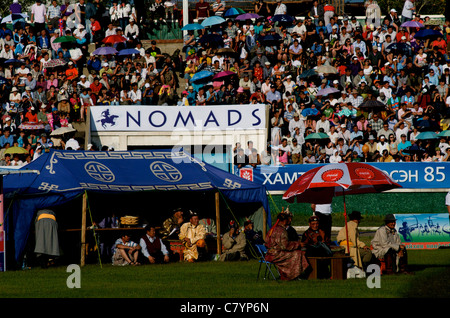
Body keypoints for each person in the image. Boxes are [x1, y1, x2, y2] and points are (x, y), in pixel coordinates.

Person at [264, 212, 309, 281]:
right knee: (298, 253)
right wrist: (298, 244)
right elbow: (286, 246)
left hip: (269, 254)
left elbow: (266, 242)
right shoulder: (282, 231)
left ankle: (287, 274)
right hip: (276, 255)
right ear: (285, 221)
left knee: (295, 253)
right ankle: (292, 275)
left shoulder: (272, 229)